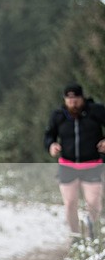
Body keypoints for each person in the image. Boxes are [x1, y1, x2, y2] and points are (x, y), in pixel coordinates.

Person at [44, 83, 105, 241]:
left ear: (82, 98)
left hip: (92, 164)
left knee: (93, 203)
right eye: (69, 99)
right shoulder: (58, 115)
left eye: (76, 99)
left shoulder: (96, 111)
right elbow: (49, 135)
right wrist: (51, 145)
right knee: (70, 203)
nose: (73, 103)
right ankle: (75, 234)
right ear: (65, 100)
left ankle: (92, 228)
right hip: (67, 165)